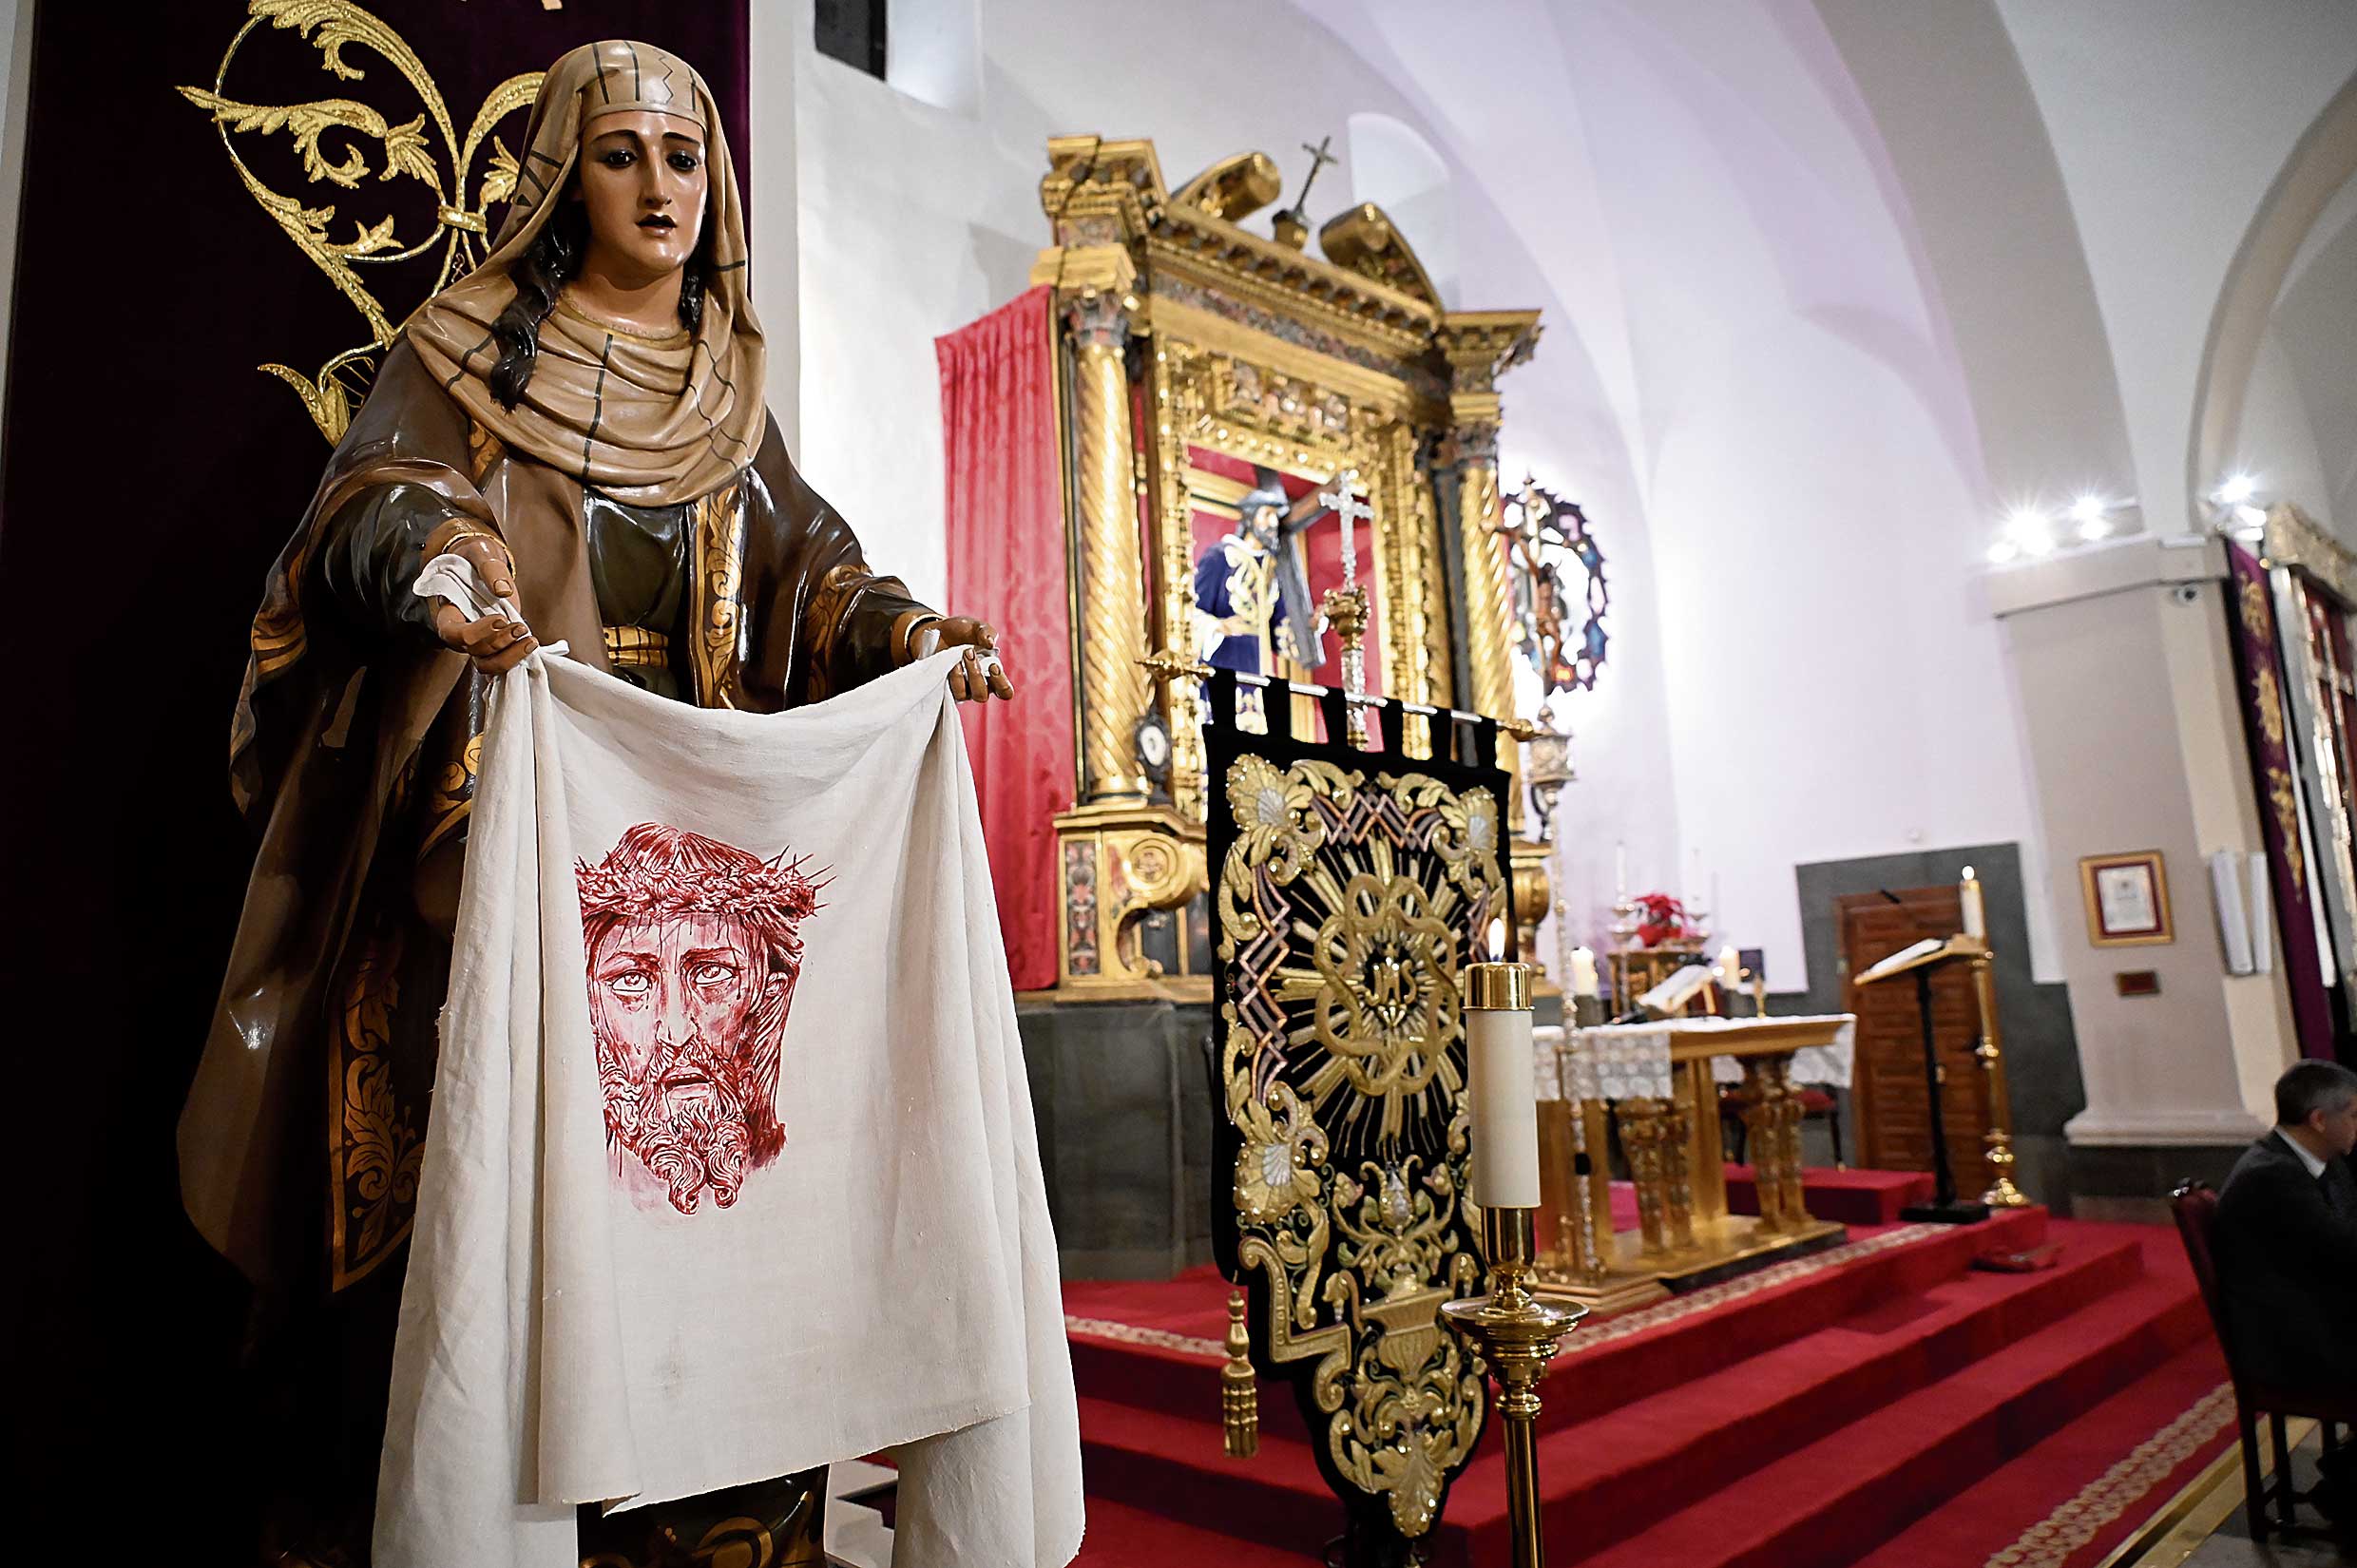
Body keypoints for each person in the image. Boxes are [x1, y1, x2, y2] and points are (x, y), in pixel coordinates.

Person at [175, 40, 1009, 1561]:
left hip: (692, 832)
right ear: (567, 177)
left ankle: (723, 1492)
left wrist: (900, 633)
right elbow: (372, 504)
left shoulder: (724, 400)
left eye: (685, 159)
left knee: (716, 1170)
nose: (662, 187)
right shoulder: (469, 357)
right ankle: (489, 1495)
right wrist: (442, 566)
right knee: (504, 1168)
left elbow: (811, 567)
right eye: (622, 155)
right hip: (518, 816)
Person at [2213, 1058, 2357, 1519]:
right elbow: (2344, 1252)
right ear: (2319, 1119)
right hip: (2290, 1341)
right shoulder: (2271, 1176)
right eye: (2354, 1114)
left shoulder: (2318, 1162)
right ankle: (2346, 1488)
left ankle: (2345, 1477)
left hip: (2319, 1314)